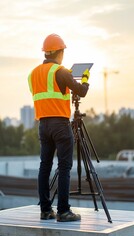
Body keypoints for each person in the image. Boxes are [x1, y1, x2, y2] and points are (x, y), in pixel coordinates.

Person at [28, 33, 90, 222]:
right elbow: (82, 91)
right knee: (64, 167)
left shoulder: (33, 74)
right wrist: (85, 78)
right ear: (59, 52)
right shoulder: (61, 71)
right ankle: (63, 211)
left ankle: (46, 210)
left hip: (43, 125)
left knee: (44, 167)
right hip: (60, 125)